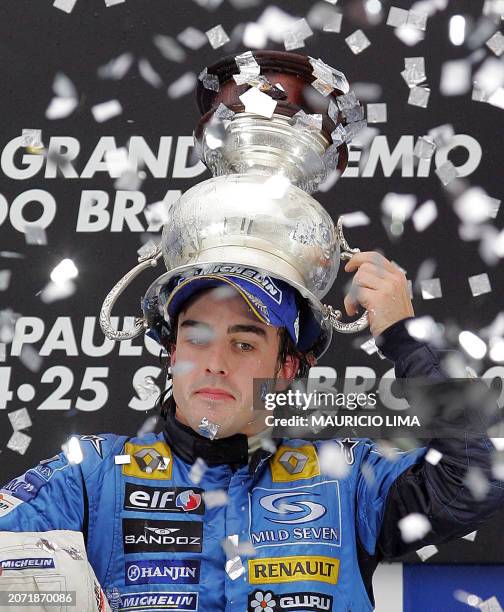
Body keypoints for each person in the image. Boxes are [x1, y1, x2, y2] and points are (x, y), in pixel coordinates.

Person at [0, 251, 502, 612]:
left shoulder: (346, 479)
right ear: (173, 355)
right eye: (196, 338)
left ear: (287, 368)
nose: (214, 364)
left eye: (244, 345)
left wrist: (402, 338)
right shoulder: (90, 477)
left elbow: (480, 476)